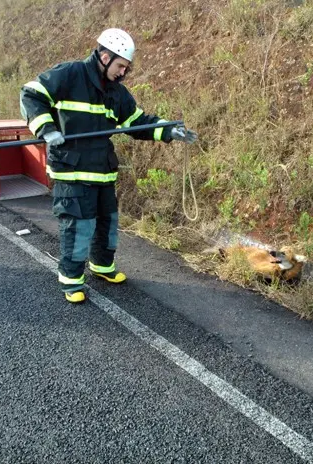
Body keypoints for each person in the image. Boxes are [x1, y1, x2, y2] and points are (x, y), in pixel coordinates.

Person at [20, 28, 198, 304]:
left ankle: (102, 266)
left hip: (102, 171)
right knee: (78, 226)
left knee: (107, 223)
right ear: (104, 57)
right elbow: (31, 94)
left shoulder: (117, 92)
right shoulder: (70, 75)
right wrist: (46, 128)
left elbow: (137, 122)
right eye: (120, 66)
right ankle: (71, 280)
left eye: (126, 68)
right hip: (72, 171)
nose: (123, 73)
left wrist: (168, 131)